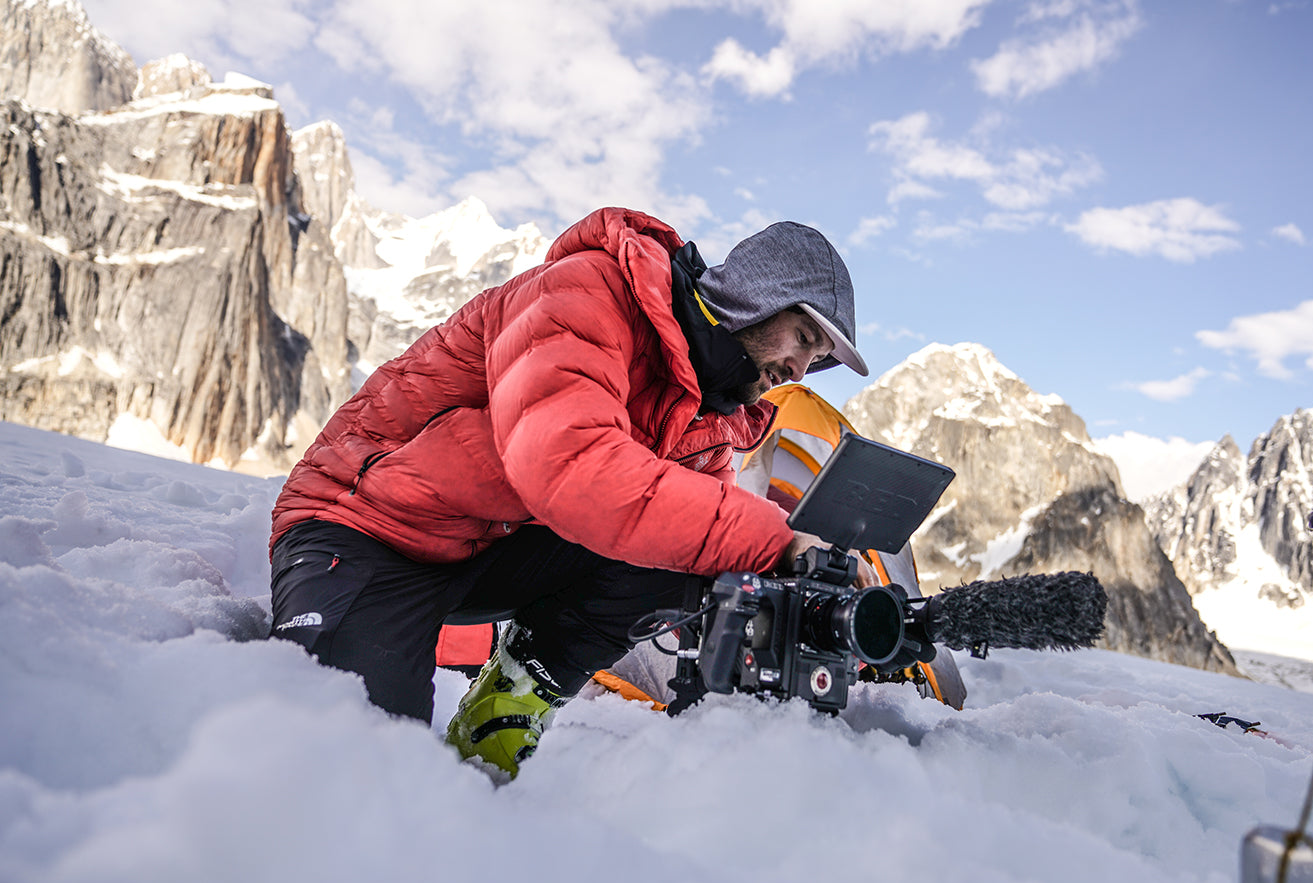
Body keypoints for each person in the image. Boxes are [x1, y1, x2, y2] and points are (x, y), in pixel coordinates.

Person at [267, 206, 871, 778]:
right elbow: (572, 468)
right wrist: (777, 537)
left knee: (685, 555)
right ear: (756, 298)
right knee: (344, 764)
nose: (798, 370)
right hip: (369, 526)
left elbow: (701, 533)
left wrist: (813, 600)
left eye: (815, 359)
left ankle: (511, 700)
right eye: (801, 337)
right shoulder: (589, 293)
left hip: (497, 543)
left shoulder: (711, 412)